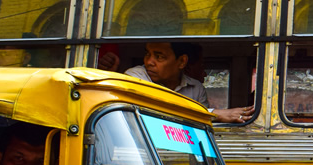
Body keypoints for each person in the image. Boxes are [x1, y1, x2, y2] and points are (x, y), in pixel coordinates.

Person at [107, 42, 253, 124]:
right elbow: (155, 109)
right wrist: (215, 114)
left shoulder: (196, 88)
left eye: (159, 57)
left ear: (181, 61)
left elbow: (198, 126)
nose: (149, 62)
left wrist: (207, 115)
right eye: (147, 54)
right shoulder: (135, 76)